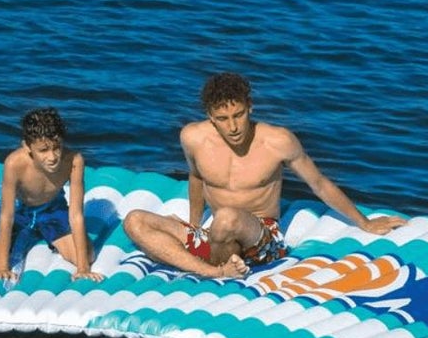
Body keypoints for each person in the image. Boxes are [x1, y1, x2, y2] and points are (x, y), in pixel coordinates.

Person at [122, 72, 405, 279]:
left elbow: (319, 183)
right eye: (223, 119)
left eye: (238, 115)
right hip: (216, 236)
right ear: (210, 116)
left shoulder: (277, 141)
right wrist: (194, 225)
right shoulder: (193, 138)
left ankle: (205, 265)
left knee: (227, 217)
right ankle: (213, 272)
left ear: (250, 107)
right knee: (135, 220)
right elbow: (196, 178)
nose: (233, 127)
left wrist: (364, 222)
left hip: (262, 237)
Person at [0, 108, 98, 280]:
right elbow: (7, 216)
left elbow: (76, 214)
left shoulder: (74, 161)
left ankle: (42, 231)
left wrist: (83, 268)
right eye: (43, 150)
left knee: (88, 256)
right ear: (27, 146)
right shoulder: (14, 163)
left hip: (51, 208)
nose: (52, 157)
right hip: (16, 210)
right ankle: (24, 232)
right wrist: (2, 267)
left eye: (57, 148)